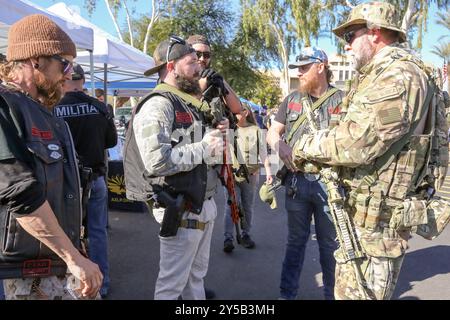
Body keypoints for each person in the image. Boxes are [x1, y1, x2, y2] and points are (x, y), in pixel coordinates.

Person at [292, 2, 440, 300]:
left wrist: (304, 146)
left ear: (374, 33)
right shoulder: (381, 74)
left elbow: (356, 144)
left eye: (350, 36)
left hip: (377, 227)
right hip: (366, 222)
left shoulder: (399, 76)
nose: (346, 47)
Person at [0, 14, 102, 300]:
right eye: (65, 63)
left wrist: (75, 252)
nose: (70, 73)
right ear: (35, 61)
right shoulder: (6, 106)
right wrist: (73, 258)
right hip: (29, 277)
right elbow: (19, 193)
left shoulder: (44, 111)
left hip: (58, 265)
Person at [124, 36, 228, 300]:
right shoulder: (159, 103)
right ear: (171, 66)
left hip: (200, 205)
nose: (199, 67)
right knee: (171, 287)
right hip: (180, 210)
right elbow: (157, 161)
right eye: (191, 62)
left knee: (196, 280)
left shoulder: (186, 101)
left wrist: (215, 135)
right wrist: (206, 147)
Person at [266, 46, 344, 300]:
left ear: (320, 67)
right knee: (296, 243)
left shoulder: (342, 100)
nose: (299, 73)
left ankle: (332, 295)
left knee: (329, 246)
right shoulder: (291, 100)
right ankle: (286, 295)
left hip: (329, 186)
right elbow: (272, 132)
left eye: (304, 68)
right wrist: (280, 145)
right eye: (297, 68)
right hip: (297, 183)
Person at [54, 63, 118, 298]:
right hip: (95, 178)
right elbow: (111, 142)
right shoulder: (99, 107)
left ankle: (73, 282)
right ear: (83, 80)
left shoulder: (53, 107)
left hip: (65, 182)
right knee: (97, 231)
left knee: (66, 232)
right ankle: (103, 281)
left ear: (66, 78)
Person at [223, 103, 273, 252]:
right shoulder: (229, 130)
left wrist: (269, 172)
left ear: (245, 112)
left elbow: (263, 153)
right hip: (232, 175)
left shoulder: (256, 130)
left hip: (251, 175)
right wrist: (224, 172)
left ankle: (246, 234)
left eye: (237, 112)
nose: (234, 115)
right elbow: (223, 152)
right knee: (231, 206)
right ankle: (228, 238)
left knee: (247, 206)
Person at [186, 34, 242, 115]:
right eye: (197, 54)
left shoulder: (212, 77)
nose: (202, 59)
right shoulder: (179, 77)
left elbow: (237, 109)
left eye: (206, 55)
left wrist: (221, 80)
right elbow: (183, 106)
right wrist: (203, 83)